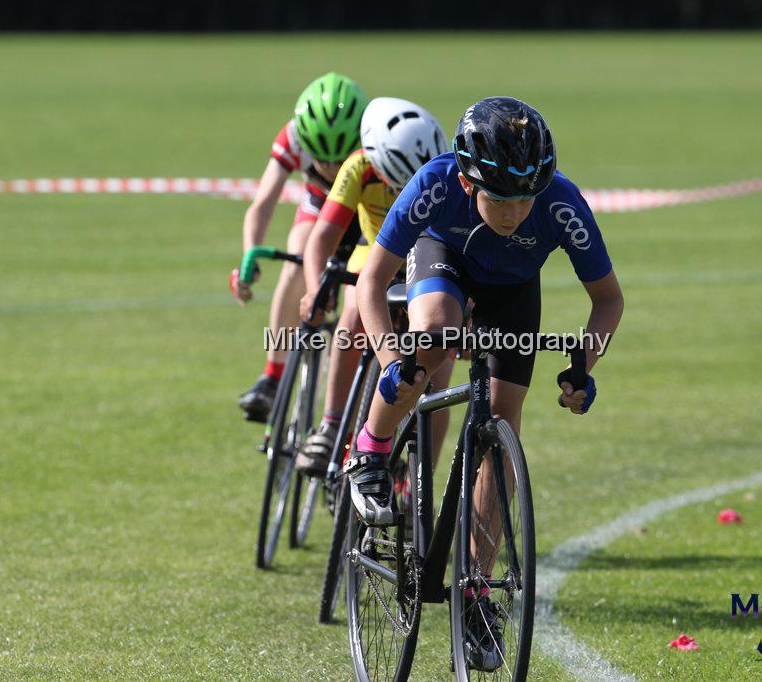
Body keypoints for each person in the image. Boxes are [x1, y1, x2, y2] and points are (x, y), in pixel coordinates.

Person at [348, 96, 624, 670]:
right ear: (468, 182)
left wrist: (581, 369)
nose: (514, 212)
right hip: (443, 256)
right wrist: (390, 355)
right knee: (434, 335)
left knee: (502, 424)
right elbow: (370, 283)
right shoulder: (435, 185)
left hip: (513, 290)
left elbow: (608, 300)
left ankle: (477, 590)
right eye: (500, 198)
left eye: (526, 199)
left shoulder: (561, 203)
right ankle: (370, 449)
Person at [292, 97, 452, 476]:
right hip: (375, 252)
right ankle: (332, 426)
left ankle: (417, 484)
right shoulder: (359, 167)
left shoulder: (445, 172)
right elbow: (321, 240)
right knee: (351, 318)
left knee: (439, 375)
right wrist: (317, 291)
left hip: (425, 258)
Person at [230, 72, 367, 422]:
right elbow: (262, 204)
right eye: (325, 161)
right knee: (297, 261)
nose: (335, 169)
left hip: (364, 214)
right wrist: (250, 254)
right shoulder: (294, 137)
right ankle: (273, 376)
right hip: (320, 208)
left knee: (361, 293)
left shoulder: (371, 140)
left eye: (343, 160)